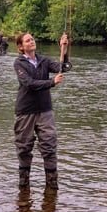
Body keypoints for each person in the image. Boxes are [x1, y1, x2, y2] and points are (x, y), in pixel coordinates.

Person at [14, 31, 70, 189]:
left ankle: (52, 189)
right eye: (27, 41)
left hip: (45, 110)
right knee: (24, 148)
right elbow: (29, 83)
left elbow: (63, 67)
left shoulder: (44, 60)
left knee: (49, 147)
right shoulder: (19, 63)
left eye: (32, 39)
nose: (31, 42)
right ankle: (23, 188)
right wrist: (51, 82)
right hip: (25, 111)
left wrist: (64, 49)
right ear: (21, 47)